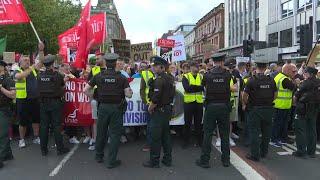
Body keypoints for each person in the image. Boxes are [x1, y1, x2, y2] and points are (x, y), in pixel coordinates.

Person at [84, 53, 133, 169]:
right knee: (115, 134)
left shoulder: (99, 76)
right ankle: (112, 161)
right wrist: (128, 92)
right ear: (115, 63)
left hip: (103, 107)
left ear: (106, 63)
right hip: (116, 108)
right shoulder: (122, 77)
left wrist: (94, 97)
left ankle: (99, 156)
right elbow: (129, 95)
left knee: (101, 132)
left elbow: (86, 90)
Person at [196, 53, 237, 168]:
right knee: (224, 134)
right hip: (224, 106)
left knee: (208, 134)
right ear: (223, 61)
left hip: (211, 107)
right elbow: (234, 87)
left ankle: (205, 160)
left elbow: (203, 87)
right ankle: (226, 160)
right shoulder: (228, 74)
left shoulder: (207, 75)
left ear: (213, 62)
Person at [143, 56, 175, 168]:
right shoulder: (169, 78)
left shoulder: (160, 80)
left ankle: (154, 161)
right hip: (166, 110)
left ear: (161, 67)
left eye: (155, 66)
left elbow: (155, 99)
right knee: (166, 136)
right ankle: (167, 159)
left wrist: (150, 108)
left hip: (159, 111)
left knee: (155, 137)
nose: (153, 68)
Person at [242, 60, 277, 161]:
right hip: (269, 109)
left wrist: (248, 103)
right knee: (266, 132)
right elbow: (275, 95)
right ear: (266, 68)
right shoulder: (271, 80)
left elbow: (245, 96)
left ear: (256, 67)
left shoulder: (251, 80)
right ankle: (263, 152)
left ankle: (254, 155)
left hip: (255, 109)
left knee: (255, 132)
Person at [38, 55, 70, 156]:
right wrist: (65, 82)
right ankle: (60, 149)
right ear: (52, 65)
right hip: (55, 103)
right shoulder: (57, 75)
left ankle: (43, 150)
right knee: (56, 126)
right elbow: (62, 86)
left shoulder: (39, 75)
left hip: (43, 103)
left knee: (44, 127)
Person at [15, 43, 44, 148]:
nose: (28, 61)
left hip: (35, 99)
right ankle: (21, 139)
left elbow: (41, 62)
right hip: (23, 100)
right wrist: (31, 68)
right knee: (23, 121)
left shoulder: (33, 70)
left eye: (28, 60)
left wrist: (41, 51)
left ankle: (36, 137)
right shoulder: (17, 71)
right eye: (25, 60)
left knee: (36, 119)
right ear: (20, 63)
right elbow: (20, 76)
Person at [293, 66, 320, 158]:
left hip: (302, 109)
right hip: (315, 109)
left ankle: (301, 151)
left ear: (310, 74)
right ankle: (311, 152)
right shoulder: (318, 82)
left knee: (300, 129)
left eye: (305, 73)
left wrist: (296, 104)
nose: (304, 74)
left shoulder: (305, 83)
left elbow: (296, 96)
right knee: (312, 130)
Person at [270, 63, 297, 147]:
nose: (295, 73)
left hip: (282, 105)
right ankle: (274, 140)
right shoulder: (284, 79)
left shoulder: (280, 76)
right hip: (281, 105)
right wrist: (296, 82)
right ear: (287, 70)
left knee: (281, 124)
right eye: (293, 71)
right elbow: (294, 87)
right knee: (278, 124)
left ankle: (281, 138)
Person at [182, 61, 204, 148]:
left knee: (198, 123)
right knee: (187, 123)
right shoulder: (186, 76)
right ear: (191, 67)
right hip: (189, 103)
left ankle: (199, 141)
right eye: (195, 66)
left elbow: (204, 87)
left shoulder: (201, 76)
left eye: (198, 66)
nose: (197, 68)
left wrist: (193, 87)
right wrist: (198, 88)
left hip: (198, 103)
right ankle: (186, 142)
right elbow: (187, 89)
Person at [0, 60, 15, 169]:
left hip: (4, 110)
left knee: (3, 135)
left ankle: (1, 158)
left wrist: (1, 88)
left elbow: (13, 95)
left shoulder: (8, 79)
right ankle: (8, 154)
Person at [140, 62, 154, 152]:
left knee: (159, 124)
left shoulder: (164, 74)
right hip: (149, 103)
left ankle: (158, 143)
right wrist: (146, 102)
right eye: (153, 65)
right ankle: (150, 143)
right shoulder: (145, 74)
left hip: (160, 104)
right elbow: (142, 90)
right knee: (150, 125)